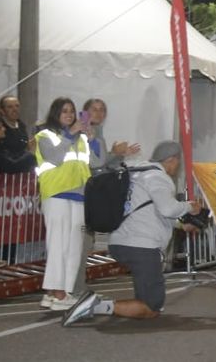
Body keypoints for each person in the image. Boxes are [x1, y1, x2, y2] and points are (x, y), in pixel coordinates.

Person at [62, 141, 203, 325]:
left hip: (121, 241)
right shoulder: (157, 177)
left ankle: (99, 305)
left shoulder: (136, 172)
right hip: (141, 246)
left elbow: (149, 211)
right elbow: (168, 209)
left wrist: (181, 226)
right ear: (172, 159)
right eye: (178, 162)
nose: (177, 166)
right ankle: (94, 305)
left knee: (147, 301)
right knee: (152, 307)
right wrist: (190, 207)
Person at [73, 98, 139, 296]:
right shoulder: (84, 130)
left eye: (102, 110)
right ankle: (74, 288)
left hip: (88, 194)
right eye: (94, 109)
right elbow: (95, 163)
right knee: (80, 244)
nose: (99, 113)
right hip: (81, 194)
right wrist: (115, 153)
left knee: (84, 244)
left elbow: (101, 163)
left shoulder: (95, 131)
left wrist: (118, 155)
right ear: (85, 111)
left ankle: (77, 286)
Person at [34, 97, 91, 312]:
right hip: (56, 193)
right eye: (64, 111)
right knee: (58, 243)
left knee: (73, 245)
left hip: (79, 195)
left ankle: (60, 292)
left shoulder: (80, 138)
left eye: (72, 111)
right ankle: (57, 291)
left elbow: (95, 162)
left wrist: (93, 139)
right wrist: (70, 134)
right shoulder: (44, 135)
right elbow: (55, 158)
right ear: (55, 113)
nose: (69, 114)